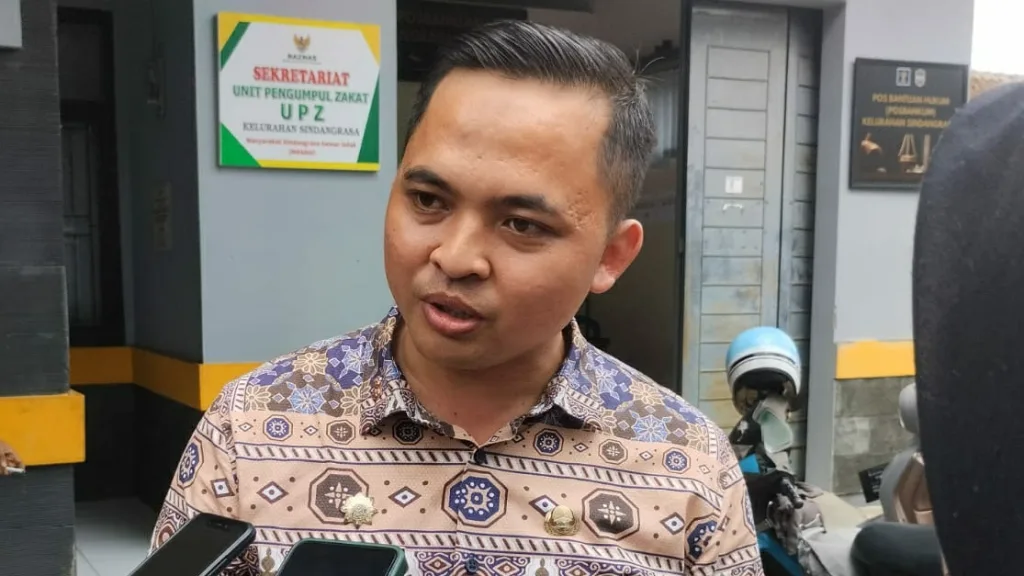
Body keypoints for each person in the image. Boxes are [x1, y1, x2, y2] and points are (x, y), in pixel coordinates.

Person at [151, 20, 761, 576]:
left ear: (612, 256)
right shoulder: (251, 427)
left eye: (521, 224)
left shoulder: (689, 467)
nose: (455, 257)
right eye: (428, 201)